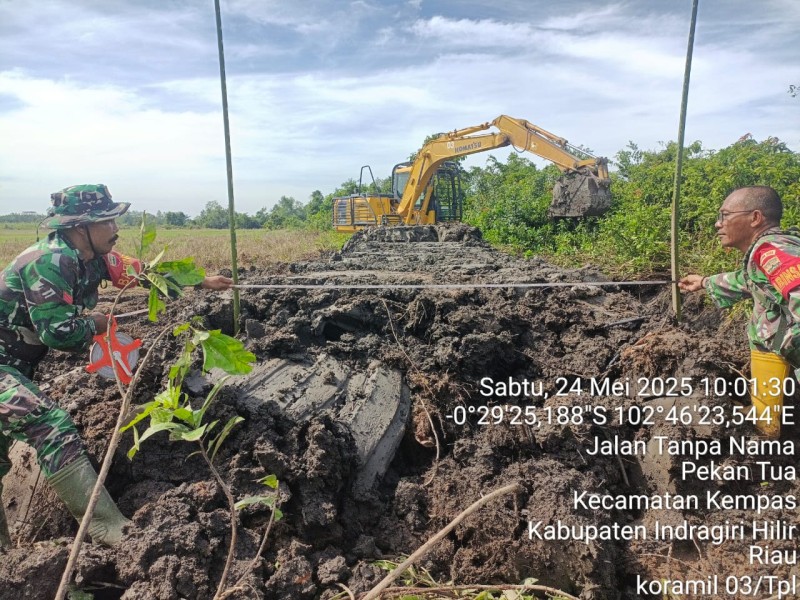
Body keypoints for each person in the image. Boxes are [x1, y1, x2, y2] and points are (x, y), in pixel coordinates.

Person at [0, 184, 232, 549]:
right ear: (80, 228)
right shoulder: (49, 261)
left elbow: (142, 273)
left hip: (13, 366)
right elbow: (57, 333)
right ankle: (106, 527)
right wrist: (97, 322)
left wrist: (202, 282)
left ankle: (7, 559)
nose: (115, 228)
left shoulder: (93, 258)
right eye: (107, 221)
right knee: (50, 424)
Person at [679, 185, 799, 437]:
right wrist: (703, 282)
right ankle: (767, 431)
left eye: (725, 215)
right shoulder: (763, 255)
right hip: (774, 346)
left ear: (755, 218)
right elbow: (749, 281)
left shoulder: (771, 251)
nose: (717, 224)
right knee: (765, 420)